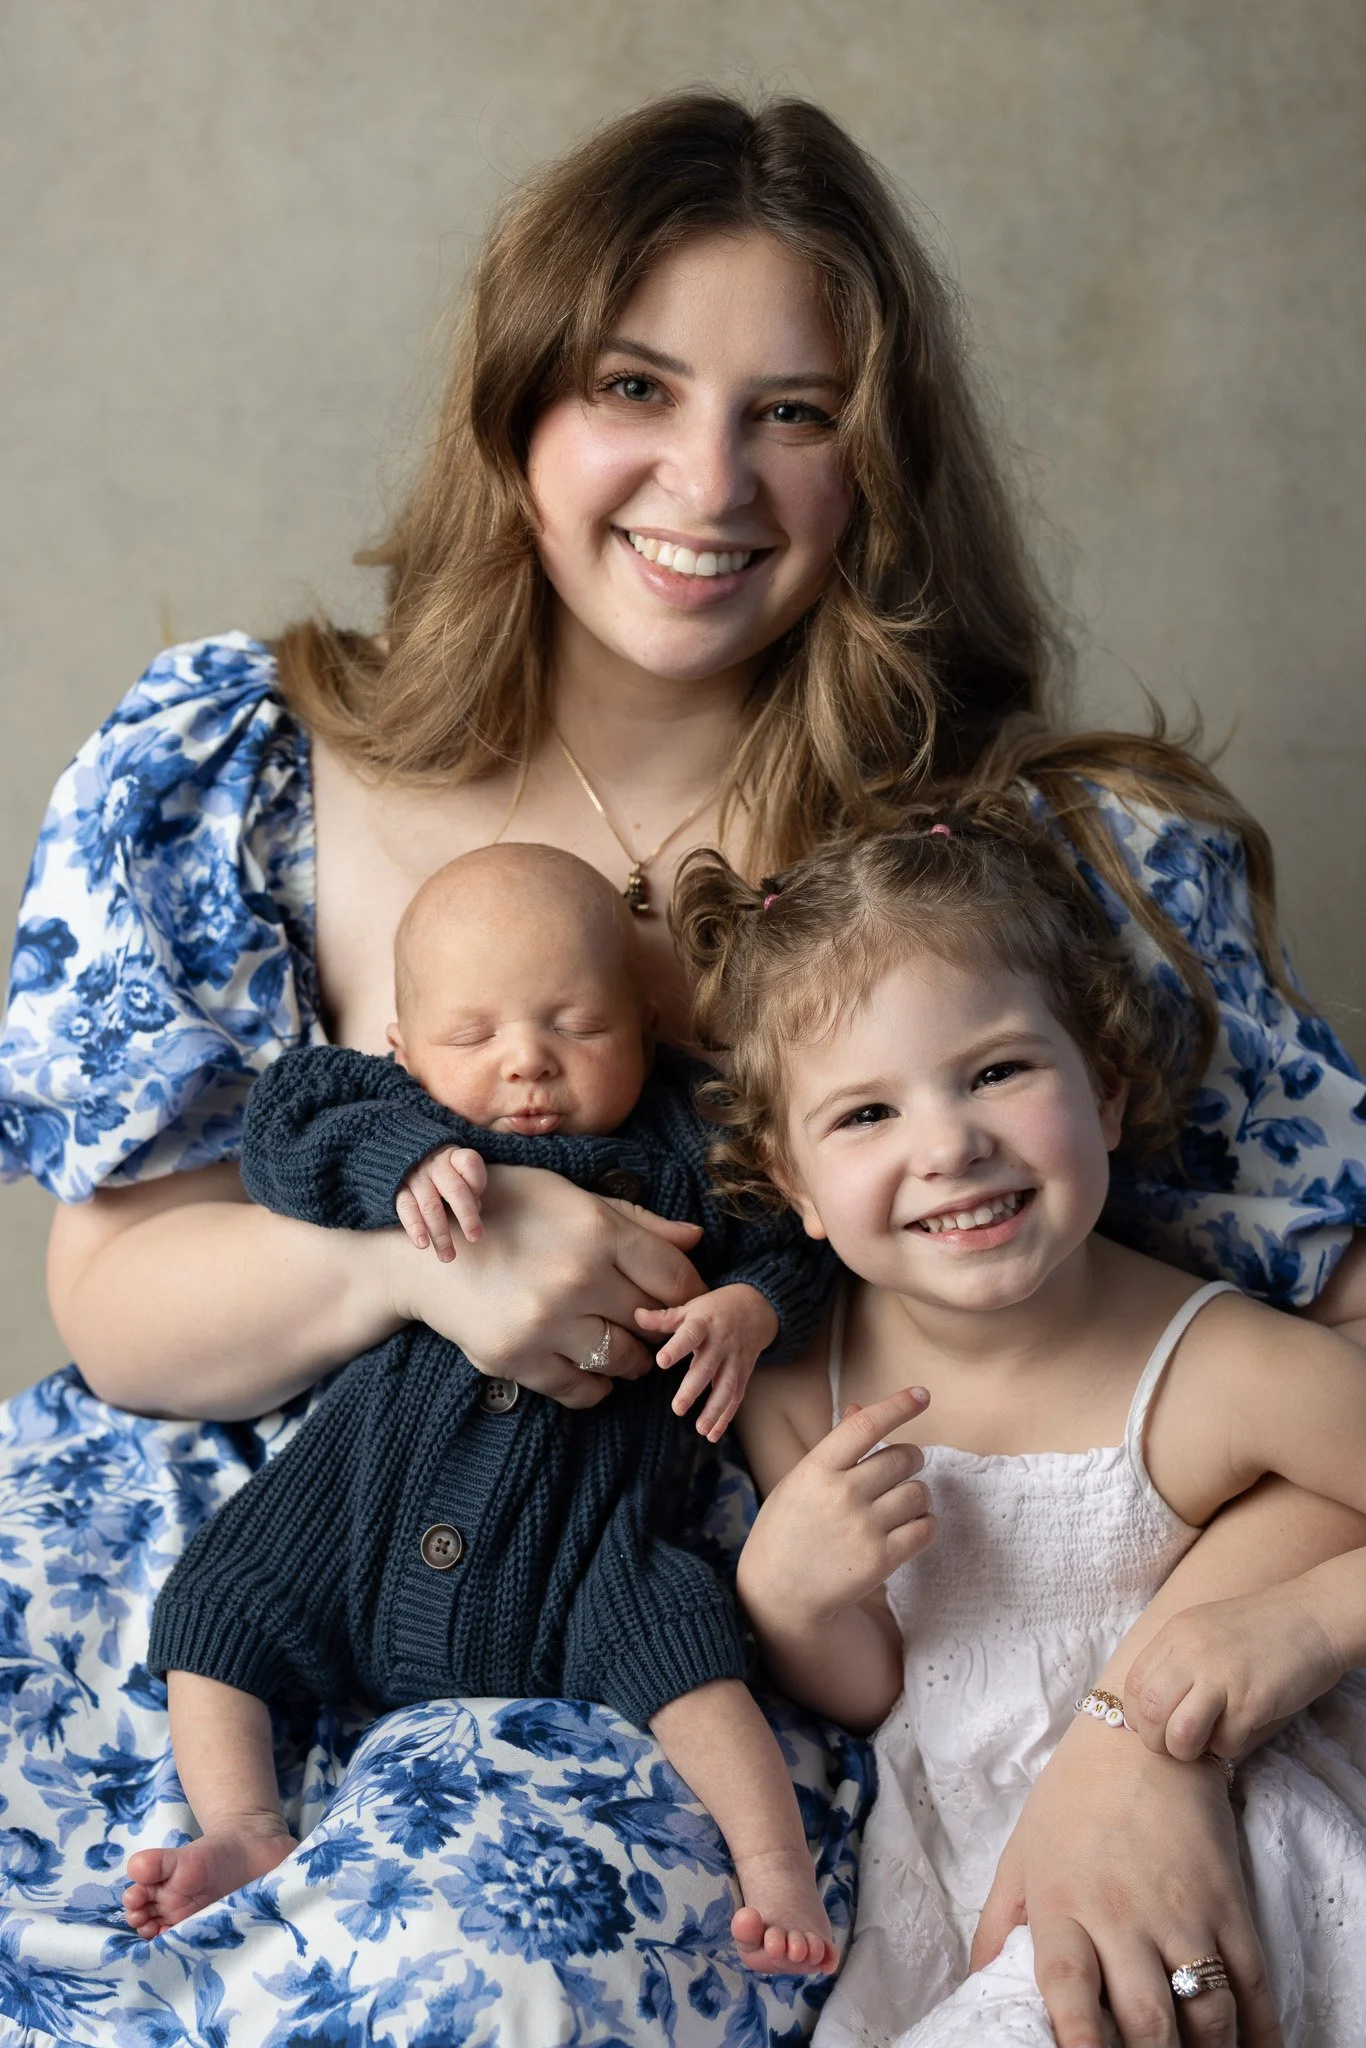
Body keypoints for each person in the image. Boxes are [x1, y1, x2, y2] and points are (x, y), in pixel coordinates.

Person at [1, 89, 1364, 2048]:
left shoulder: (999, 879)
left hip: (648, 1632)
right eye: (633, 385)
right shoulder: (239, 769)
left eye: (793, 412)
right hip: (196, 1579)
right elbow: (117, 1300)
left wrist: (1148, 1720)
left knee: (468, 1961)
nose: (705, 479)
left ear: (874, 466)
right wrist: (424, 1266)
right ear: (517, 410)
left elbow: (1315, 1365)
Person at [671, 807, 1366, 2045]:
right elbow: (877, 1682)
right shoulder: (799, 1389)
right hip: (950, 1869)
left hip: (1221, 1833)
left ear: (1104, 1094)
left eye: (996, 1070)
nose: (948, 1143)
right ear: (794, 1188)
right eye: (864, 1114)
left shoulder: (1223, 1367)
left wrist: (1301, 1618)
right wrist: (791, 1597)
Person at [123, 842, 838, 1974]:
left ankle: (776, 1866)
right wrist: (400, 1158)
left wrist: (752, 1305)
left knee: (690, 1653)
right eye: (474, 1036)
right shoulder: (396, 1110)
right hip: (362, 1488)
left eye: (579, 1025)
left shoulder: (692, 1139)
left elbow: (799, 1236)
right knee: (220, 1597)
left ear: (644, 1024)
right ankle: (245, 1825)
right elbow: (285, 1126)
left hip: (588, 1538)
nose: (529, 1067)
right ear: (404, 1046)